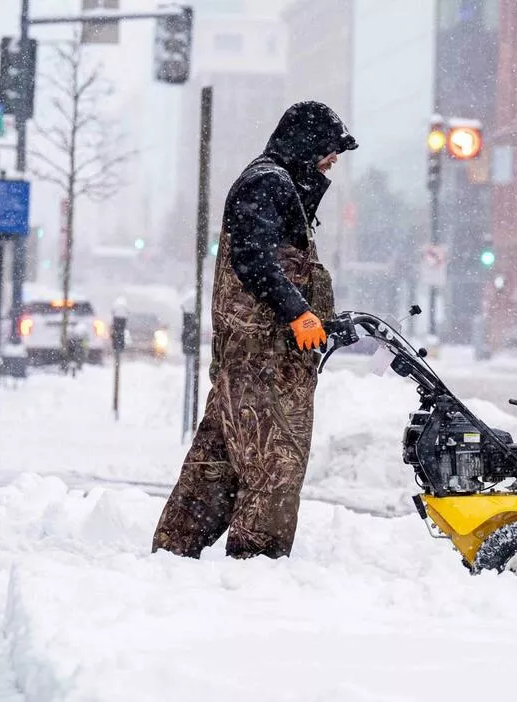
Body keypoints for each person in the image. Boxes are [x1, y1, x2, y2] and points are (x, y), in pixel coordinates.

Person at [152, 101, 357, 559]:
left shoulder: (277, 184)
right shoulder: (267, 182)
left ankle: (174, 551)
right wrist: (297, 312)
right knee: (274, 463)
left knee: (218, 464)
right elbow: (253, 258)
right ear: (304, 144)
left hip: (256, 359)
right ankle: (255, 567)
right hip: (262, 362)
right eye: (328, 149)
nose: (333, 160)